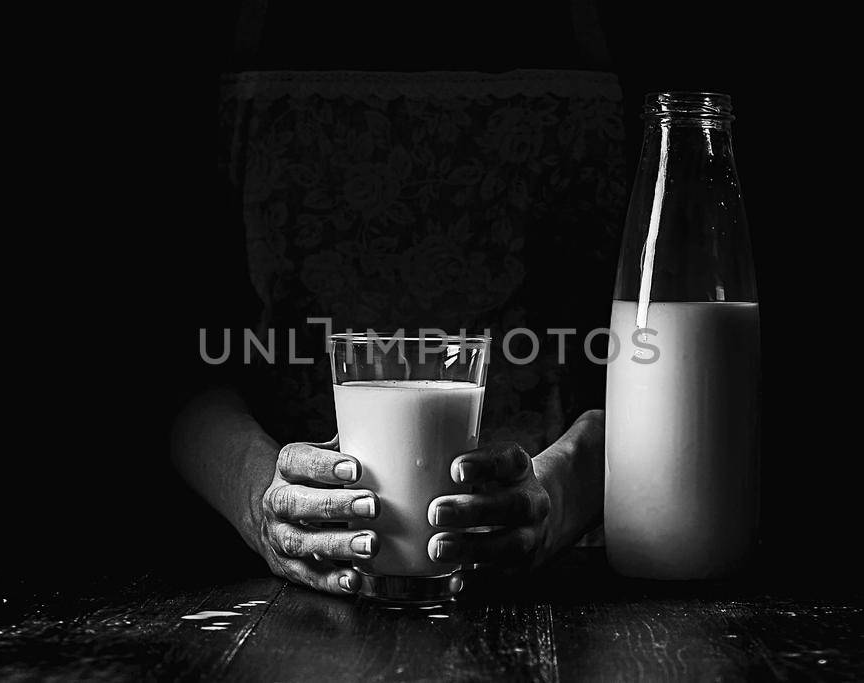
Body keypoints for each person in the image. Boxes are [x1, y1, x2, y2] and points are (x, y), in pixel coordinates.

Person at [170, 1, 626, 595]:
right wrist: (264, 500)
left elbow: (667, 367)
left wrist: (561, 493)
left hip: (571, 569)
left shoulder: (622, 25)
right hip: (266, 580)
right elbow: (173, 373)